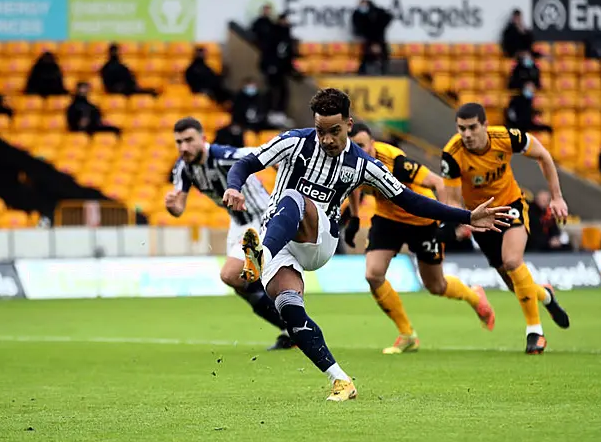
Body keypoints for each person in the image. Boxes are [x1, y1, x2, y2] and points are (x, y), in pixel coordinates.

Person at [222, 88, 513, 400]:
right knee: (289, 309)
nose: (327, 139)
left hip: (318, 239)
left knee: (294, 196)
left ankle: (259, 256)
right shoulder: (294, 141)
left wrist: (467, 216)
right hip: (279, 240)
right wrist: (234, 186)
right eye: (321, 131)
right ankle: (341, 381)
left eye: (334, 131)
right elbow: (246, 163)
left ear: (349, 124)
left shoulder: (364, 163)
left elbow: (410, 199)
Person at [346, 123, 495, 354]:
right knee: (373, 274)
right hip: (388, 220)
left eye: (362, 146)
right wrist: (355, 217)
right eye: (354, 146)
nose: (359, 151)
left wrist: (446, 221)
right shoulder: (349, 160)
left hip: (421, 221)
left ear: (373, 144)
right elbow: (352, 185)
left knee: (436, 286)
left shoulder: (397, 162)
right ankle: (407, 334)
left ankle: (473, 296)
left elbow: (437, 182)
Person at [439, 103, 571, 354]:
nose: (466, 134)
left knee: (512, 261)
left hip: (511, 205)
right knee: (514, 284)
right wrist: (464, 220)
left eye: (472, 128)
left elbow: (543, 155)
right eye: (461, 128)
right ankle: (545, 296)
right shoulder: (452, 154)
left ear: (485, 126)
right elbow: (453, 199)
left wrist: (556, 196)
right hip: (481, 218)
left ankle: (535, 332)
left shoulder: (507, 137)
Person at [166, 117, 292, 351]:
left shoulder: (226, 155)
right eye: (179, 142)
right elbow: (178, 209)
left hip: (263, 218)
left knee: (231, 275)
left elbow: (268, 154)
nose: (184, 147)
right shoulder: (182, 167)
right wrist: (171, 205)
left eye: (189, 140)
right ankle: (289, 328)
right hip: (238, 225)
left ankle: (291, 321)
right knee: (238, 283)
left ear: (203, 139)